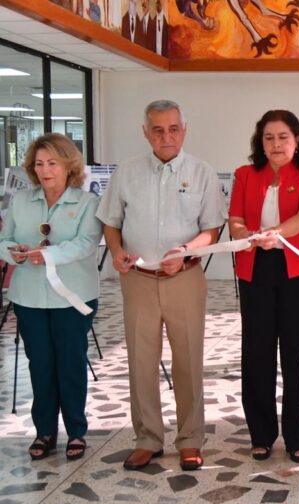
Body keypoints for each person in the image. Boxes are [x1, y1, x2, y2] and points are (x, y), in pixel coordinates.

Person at [96, 100, 225, 471]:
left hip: (184, 279)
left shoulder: (202, 172)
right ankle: (148, 438)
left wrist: (185, 250)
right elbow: (111, 222)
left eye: (172, 128)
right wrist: (117, 251)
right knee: (140, 362)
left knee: (188, 361)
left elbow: (211, 230)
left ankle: (190, 439)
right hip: (137, 279)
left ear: (184, 130)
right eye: (157, 129)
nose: (165, 136)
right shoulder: (128, 172)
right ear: (145, 132)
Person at [229, 110, 299, 463]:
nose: (276, 144)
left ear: (297, 139)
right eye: (268, 137)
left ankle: (297, 435)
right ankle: (261, 434)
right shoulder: (244, 174)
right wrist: (243, 233)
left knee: (297, 354)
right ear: (260, 142)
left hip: (297, 265)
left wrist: (274, 234)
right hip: (255, 267)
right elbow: (236, 218)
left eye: (283, 136)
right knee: (257, 352)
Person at [0, 133, 101, 461]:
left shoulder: (88, 203)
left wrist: (51, 255)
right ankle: (44, 430)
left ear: (68, 165)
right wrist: (12, 251)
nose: (45, 170)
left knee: (70, 363)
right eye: (39, 163)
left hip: (72, 298)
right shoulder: (20, 201)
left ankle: (76, 430)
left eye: (52, 163)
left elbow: (87, 243)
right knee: (39, 364)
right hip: (29, 297)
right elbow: (5, 238)